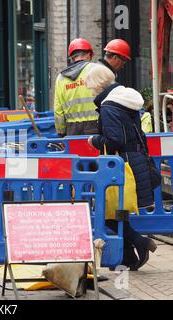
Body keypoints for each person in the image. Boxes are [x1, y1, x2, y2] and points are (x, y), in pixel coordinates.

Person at [85, 65, 157, 271]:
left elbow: (114, 139)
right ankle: (127, 258)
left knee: (111, 213)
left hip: (120, 164)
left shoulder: (108, 107)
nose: (90, 91)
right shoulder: (125, 100)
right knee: (118, 211)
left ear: (98, 85)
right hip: (133, 159)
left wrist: (94, 140)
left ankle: (140, 242)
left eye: (90, 87)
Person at [54, 38, 99, 137]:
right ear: (89, 55)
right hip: (96, 126)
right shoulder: (97, 70)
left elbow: (58, 111)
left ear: (72, 58)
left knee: (76, 152)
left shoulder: (61, 78)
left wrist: (61, 133)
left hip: (72, 129)